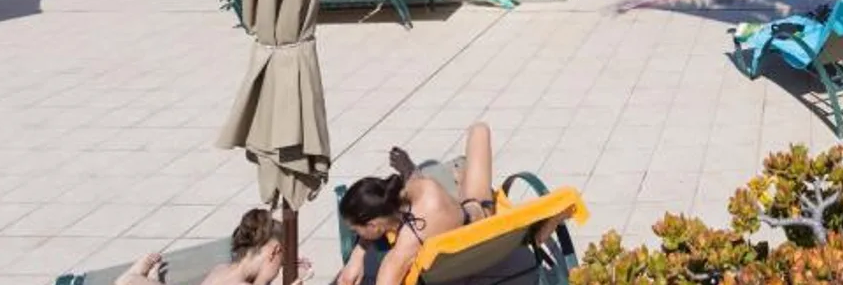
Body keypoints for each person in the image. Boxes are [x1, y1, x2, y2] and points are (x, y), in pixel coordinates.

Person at [338, 123, 538, 285]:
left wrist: (357, 256)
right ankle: (459, 174)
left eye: (356, 230)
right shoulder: (421, 188)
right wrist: (359, 253)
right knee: (479, 130)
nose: (357, 235)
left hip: (475, 209)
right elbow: (408, 185)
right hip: (474, 210)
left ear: (374, 225)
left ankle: (459, 175)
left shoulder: (404, 248)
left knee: (465, 154)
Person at [116, 209, 303, 285]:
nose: (278, 271)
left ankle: (148, 278)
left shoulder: (222, 269)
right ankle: (136, 276)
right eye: (280, 264)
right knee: (128, 282)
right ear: (274, 252)